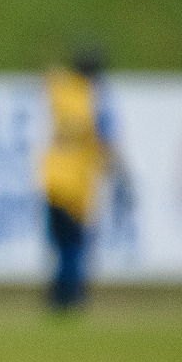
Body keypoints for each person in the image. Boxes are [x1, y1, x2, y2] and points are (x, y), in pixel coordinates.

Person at [41, 45, 130, 310]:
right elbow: (106, 140)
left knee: (60, 242)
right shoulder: (97, 98)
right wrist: (120, 172)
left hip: (53, 176)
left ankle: (58, 293)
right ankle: (72, 295)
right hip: (78, 181)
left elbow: (50, 74)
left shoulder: (63, 90)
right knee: (76, 243)